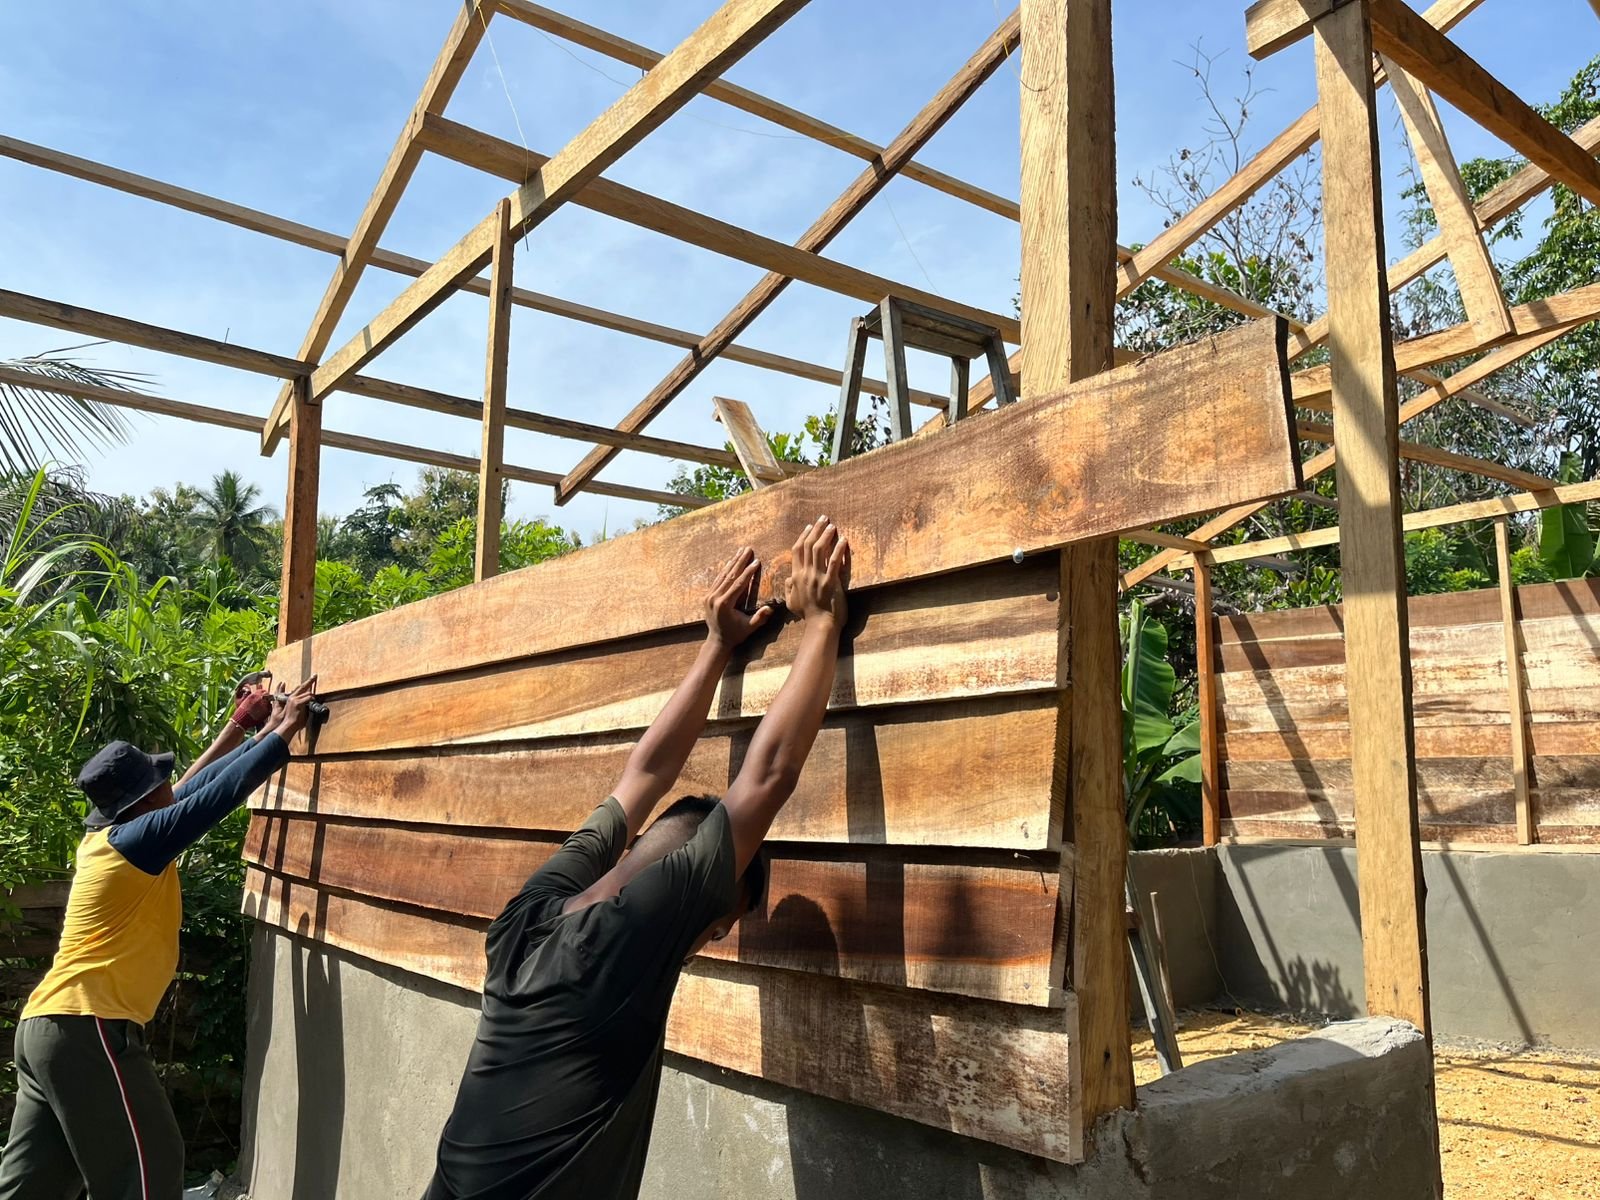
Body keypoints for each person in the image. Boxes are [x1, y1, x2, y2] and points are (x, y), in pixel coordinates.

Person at [426, 516, 852, 1200]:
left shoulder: (531, 913)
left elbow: (642, 777)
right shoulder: (635, 933)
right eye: (722, 924)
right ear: (706, 890)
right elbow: (767, 779)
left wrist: (717, 645)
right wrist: (824, 621)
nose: (712, 938)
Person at [0, 673, 320, 1200]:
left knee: (35, 1187)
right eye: (159, 785)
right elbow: (212, 798)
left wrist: (246, 730)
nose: (170, 787)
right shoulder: (138, 843)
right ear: (145, 802)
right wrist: (283, 731)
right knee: (148, 1169)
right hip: (89, 1027)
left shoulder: (116, 837)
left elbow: (194, 786)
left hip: (47, 1031)